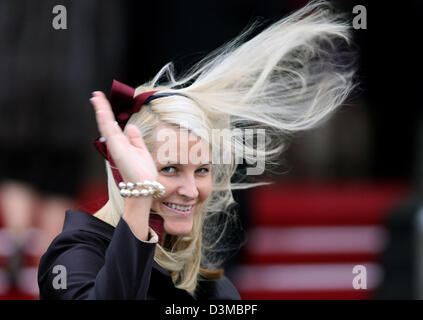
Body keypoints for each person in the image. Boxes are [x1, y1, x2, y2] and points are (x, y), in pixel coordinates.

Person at [37, 0, 357, 300]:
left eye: (202, 170)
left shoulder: (211, 284)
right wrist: (139, 197)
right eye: (170, 169)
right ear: (124, 168)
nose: (191, 191)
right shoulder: (73, 257)